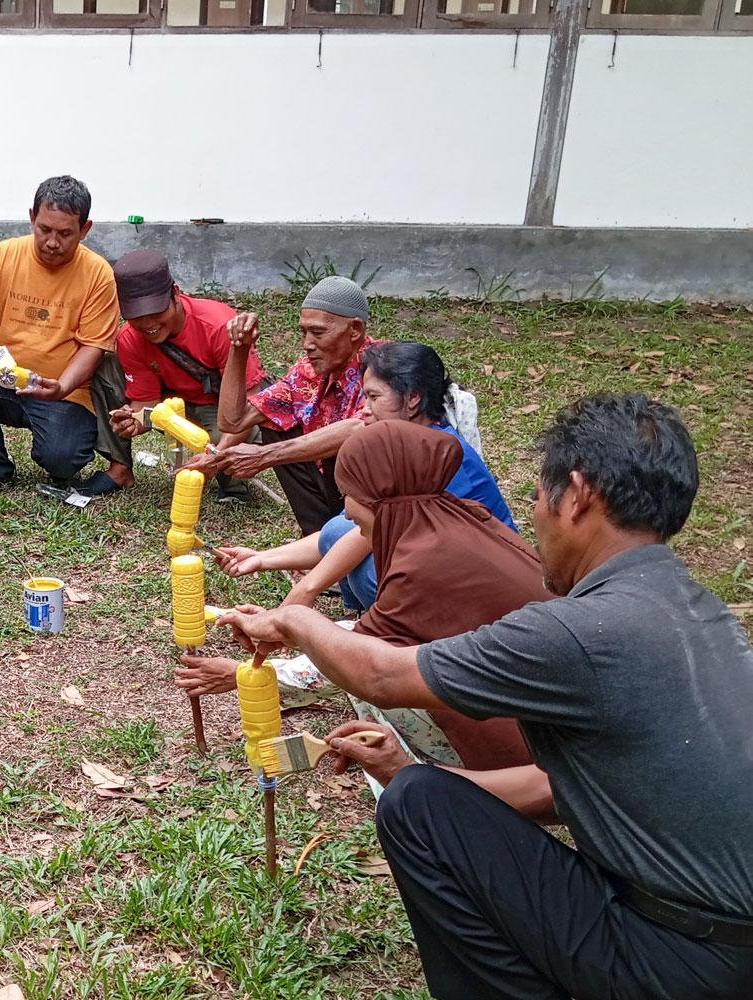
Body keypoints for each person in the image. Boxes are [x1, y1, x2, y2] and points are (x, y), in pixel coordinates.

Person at [221, 393, 753, 1000]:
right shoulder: (704, 615)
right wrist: (407, 769)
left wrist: (291, 620)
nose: (534, 514)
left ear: (576, 495)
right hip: (724, 948)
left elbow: (382, 677)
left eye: (538, 494)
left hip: (676, 958)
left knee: (414, 810)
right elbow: (571, 788)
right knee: (422, 792)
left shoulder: (580, 631)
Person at [180, 420, 547, 770]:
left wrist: (247, 672)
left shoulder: (425, 563)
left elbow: (368, 665)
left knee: (358, 672)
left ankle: (428, 782)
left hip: (530, 745)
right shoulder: (458, 516)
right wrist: (287, 625)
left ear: (381, 497)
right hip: (532, 706)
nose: (348, 510)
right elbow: (374, 632)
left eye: (350, 496)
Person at [215, 341, 512, 611]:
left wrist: (306, 590)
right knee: (337, 528)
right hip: (451, 562)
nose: (365, 412)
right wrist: (261, 558)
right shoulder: (409, 443)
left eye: (373, 398)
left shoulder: (437, 455)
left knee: (367, 573)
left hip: (486, 581)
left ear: (412, 399)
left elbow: (367, 538)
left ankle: (397, 626)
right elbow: (353, 532)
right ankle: (363, 616)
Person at [0, 175, 131, 498]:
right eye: (44, 229)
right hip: (5, 377)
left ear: (85, 229)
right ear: (31, 218)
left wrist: (63, 387)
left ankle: (57, 447)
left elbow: (93, 348)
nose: (52, 242)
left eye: (65, 233)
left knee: (62, 460)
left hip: (64, 392)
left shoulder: (98, 275)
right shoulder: (5, 255)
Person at [187, 275, 378, 534]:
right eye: (304, 332)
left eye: (318, 332)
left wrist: (266, 455)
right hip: (336, 485)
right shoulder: (307, 372)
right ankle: (319, 537)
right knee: (277, 426)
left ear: (354, 329)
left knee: (345, 447)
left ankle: (354, 539)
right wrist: (239, 348)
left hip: (379, 499)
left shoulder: (383, 369)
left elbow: (362, 427)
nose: (307, 344)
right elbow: (233, 421)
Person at [105, 248, 268, 502]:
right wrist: (134, 422)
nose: (148, 324)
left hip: (222, 406)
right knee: (105, 366)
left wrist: (216, 454)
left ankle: (234, 485)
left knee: (223, 441)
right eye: (137, 317)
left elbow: (250, 401)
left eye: (157, 312)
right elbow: (145, 403)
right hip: (175, 406)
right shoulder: (130, 338)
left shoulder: (218, 325)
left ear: (176, 294)